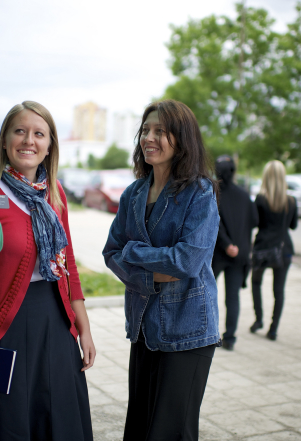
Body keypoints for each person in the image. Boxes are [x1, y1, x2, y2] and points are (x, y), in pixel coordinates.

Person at [0, 101, 95, 441]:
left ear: (50, 145)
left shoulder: (55, 194)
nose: (29, 141)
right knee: (9, 423)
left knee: (57, 418)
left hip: (54, 321)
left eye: (39, 134)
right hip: (2, 325)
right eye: (20, 131)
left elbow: (68, 267)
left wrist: (84, 329)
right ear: (5, 139)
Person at [103, 99, 220, 441]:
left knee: (171, 433)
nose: (149, 138)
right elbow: (111, 252)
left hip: (187, 331)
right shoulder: (133, 194)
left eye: (160, 131)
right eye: (145, 130)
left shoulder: (200, 192)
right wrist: (151, 276)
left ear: (182, 139)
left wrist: (135, 252)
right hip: (143, 328)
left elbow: (186, 263)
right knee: (139, 429)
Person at [212, 156, 258, 351]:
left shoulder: (213, 193)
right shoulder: (244, 195)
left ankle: (209, 334)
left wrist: (226, 243)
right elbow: (255, 220)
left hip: (217, 254)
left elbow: (213, 222)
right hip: (239, 254)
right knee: (232, 298)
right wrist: (236, 243)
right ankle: (230, 337)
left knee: (208, 294)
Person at [250, 160, 298, 341]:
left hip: (263, 247)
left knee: (256, 283)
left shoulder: (261, 199)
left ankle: (258, 320)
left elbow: (256, 223)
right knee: (279, 290)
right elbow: (293, 226)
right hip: (284, 248)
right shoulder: (291, 201)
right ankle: (273, 329)